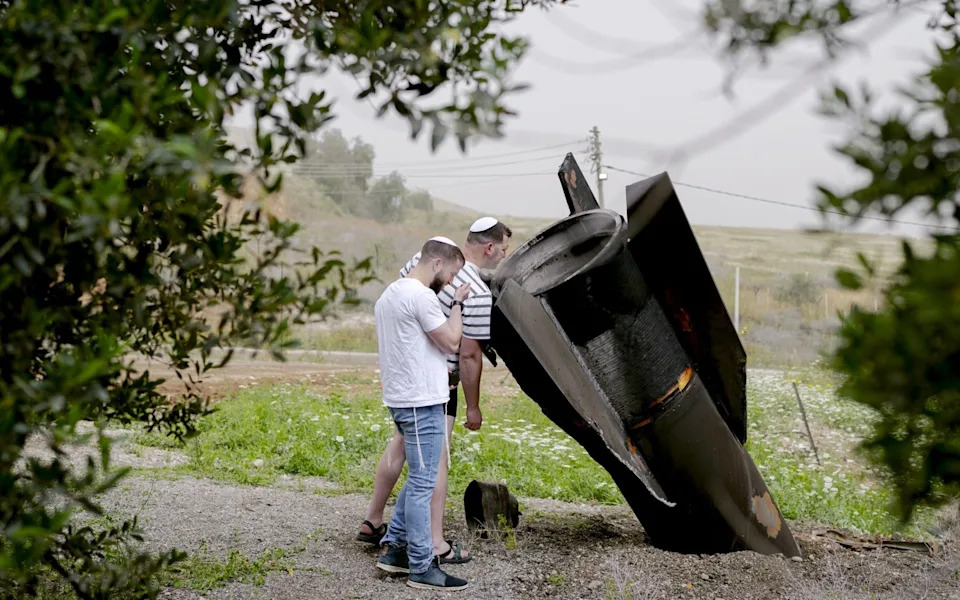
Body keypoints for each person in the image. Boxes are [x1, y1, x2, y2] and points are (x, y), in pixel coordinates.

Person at [357, 217, 513, 564]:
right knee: (435, 461)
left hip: (404, 377)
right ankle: (434, 541)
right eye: (503, 249)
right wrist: (473, 406)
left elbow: (400, 304)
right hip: (435, 385)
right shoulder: (477, 290)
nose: (504, 255)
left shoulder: (423, 260)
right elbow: (469, 355)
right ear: (489, 248)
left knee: (399, 445)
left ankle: (374, 519)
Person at [373, 236, 471, 590]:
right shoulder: (421, 296)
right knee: (423, 484)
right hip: (421, 401)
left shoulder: (390, 293)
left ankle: (396, 552)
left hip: (401, 399)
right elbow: (451, 341)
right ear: (437, 263)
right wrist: (458, 306)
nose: (450, 282)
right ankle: (421, 566)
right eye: (452, 272)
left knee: (418, 478)